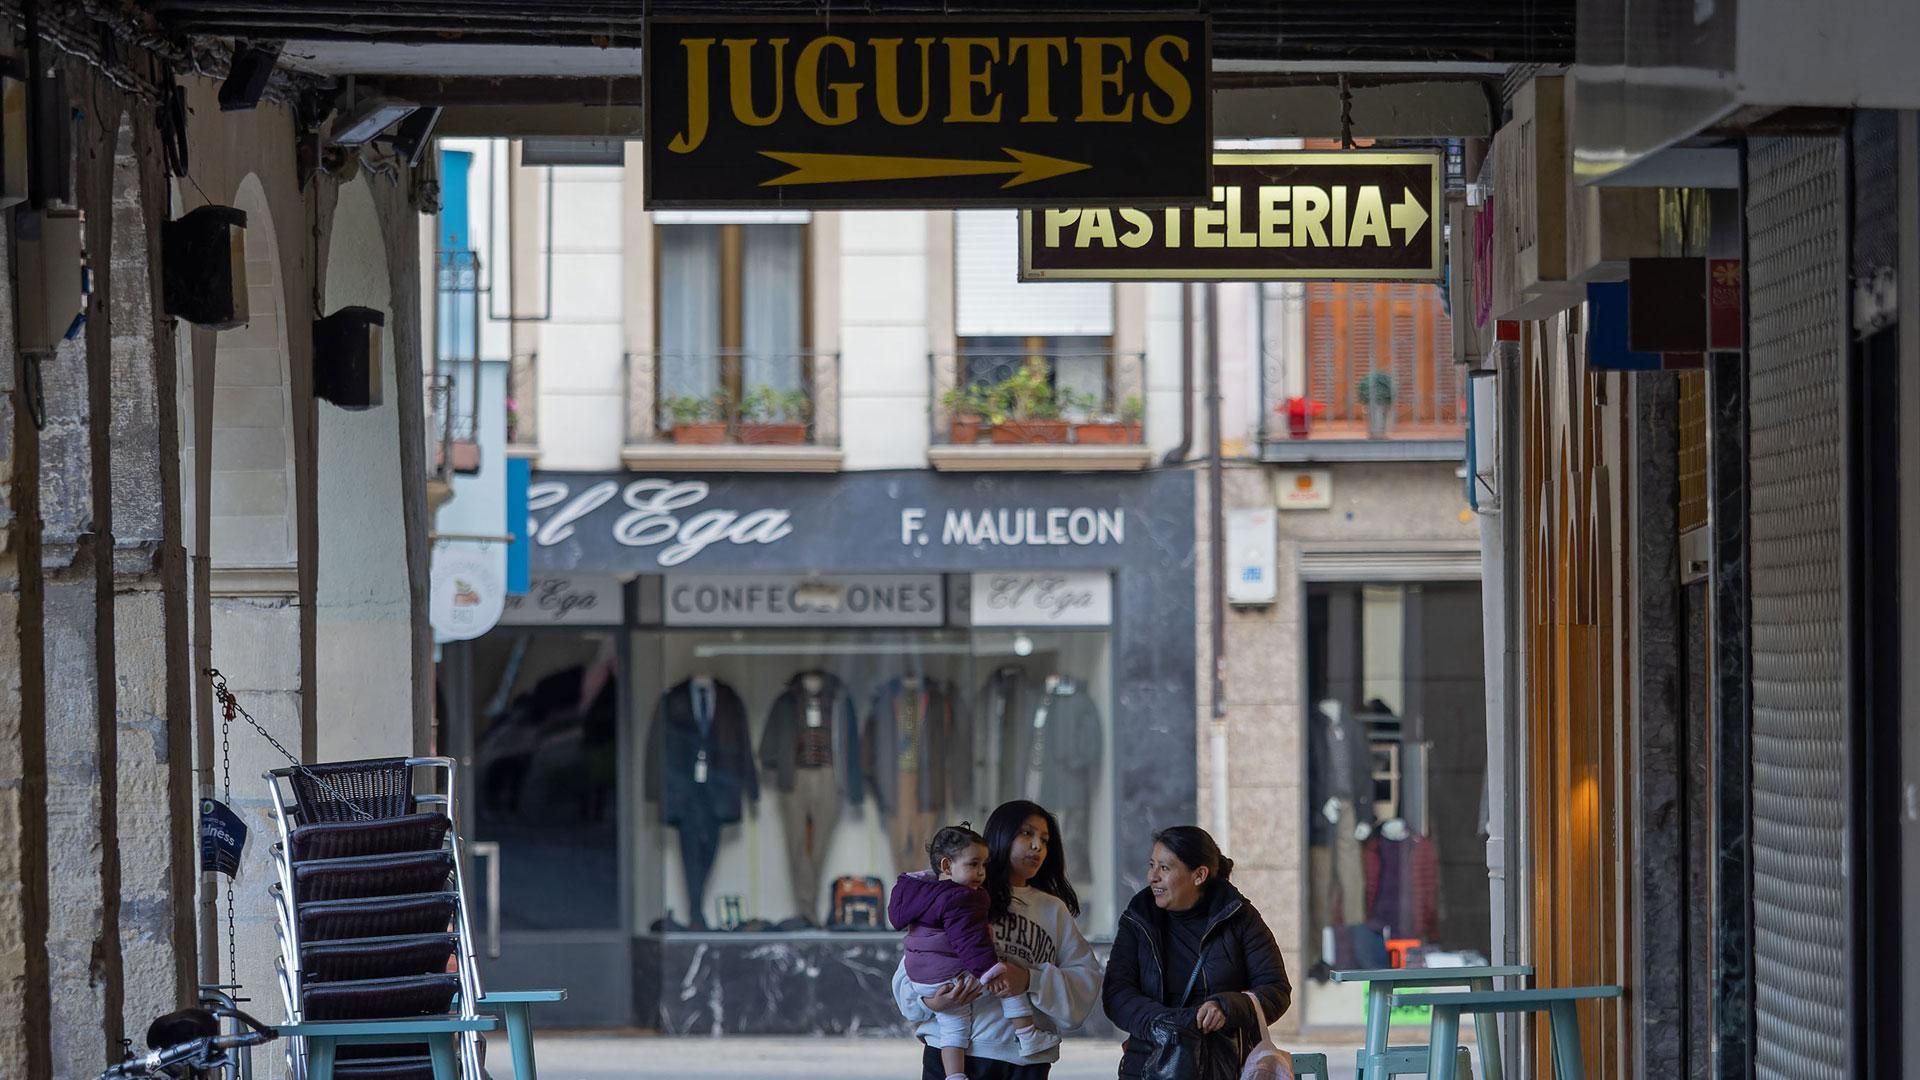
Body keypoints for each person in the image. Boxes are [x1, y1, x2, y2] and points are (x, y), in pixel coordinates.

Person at [892, 801, 1104, 1080]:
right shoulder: (958, 896)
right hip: (954, 1057)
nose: (1037, 846)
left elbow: (1085, 985)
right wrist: (930, 1003)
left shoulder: (1053, 910)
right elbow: (911, 971)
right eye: (1026, 834)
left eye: (1045, 839)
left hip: (1024, 1062)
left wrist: (1029, 979)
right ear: (1001, 836)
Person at [1103, 825, 1292, 1079]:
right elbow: (1117, 993)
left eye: (1164, 868)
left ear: (1199, 875)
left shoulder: (1239, 917)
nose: (1152, 877)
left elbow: (1276, 989)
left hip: (1223, 1067)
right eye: (1152, 865)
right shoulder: (1139, 918)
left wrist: (1227, 1006)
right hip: (1149, 1066)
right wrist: (1164, 1022)